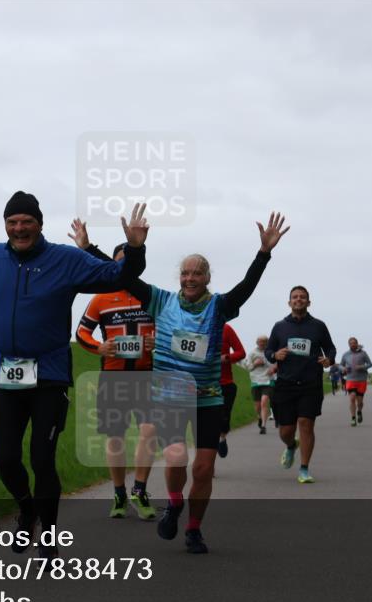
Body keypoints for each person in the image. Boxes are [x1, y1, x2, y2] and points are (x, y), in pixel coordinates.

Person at [0, 193, 149, 559]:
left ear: (40, 224)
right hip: (5, 375)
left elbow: (119, 275)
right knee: (4, 458)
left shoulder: (66, 260)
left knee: (42, 460)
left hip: (49, 377)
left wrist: (134, 249)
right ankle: (27, 509)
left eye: (27, 221)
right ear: (6, 225)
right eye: (13, 222)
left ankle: (48, 540)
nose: (19, 228)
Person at [79, 212, 289, 553]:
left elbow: (247, 287)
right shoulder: (159, 300)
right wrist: (111, 247)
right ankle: (175, 503)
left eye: (197, 273)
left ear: (207, 277)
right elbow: (124, 276)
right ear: (179, 277)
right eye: (185, 273)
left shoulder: (220, 306)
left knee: (204, 469)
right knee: (176, 456)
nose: (190, 278)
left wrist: (263, 253)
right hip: (169, 396)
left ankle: (194, 528)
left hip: (208, 398)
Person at [73, 238, 159, 520]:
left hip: (146, 376)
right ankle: (119, 493)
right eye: (120, 262)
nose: (124, 267)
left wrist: (157, 341)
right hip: (113, 377)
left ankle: (140, 491)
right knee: (115, 438)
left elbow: (170, 330)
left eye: (129, 262)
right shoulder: (100, 297)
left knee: (148, 432)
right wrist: (99, 346)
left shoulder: (151, 296)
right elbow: (81, 333)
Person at [265, 286, 336, 484]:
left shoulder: (318, 326)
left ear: (308, 302)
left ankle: (304, 469)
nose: (298, 299)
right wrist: (274, 355)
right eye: (295, 297)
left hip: (310, 383)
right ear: (289, 302)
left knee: (306, 424)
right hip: (285, 384)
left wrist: (328, 360)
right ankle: (290, 445)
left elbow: (330, 348)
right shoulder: (279, 326)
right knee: (285, 430)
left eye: (302, 297)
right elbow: (269, 350)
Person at [217, 323, 246, 458]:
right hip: (201, 384)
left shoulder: (226, 329)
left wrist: (227, 357)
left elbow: (241, 352)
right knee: (206, 427)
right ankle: (207, 466)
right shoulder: (191, 325)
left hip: (225, 384)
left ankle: (222, 437)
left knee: (223, 420)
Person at [340, 337, 372, 426]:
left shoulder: (363, 354)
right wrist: (344, 369)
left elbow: (370, 364)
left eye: (354, 343)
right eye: (350, 343)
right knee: (352, 398)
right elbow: (340, 365)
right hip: (350, 379)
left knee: (360, 402)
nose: (352, 345)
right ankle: (353, 418)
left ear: (357, 343)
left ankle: (359, 411)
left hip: (361, 380)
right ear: (348, 345)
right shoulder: (345, 355)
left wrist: (362, 367)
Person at [245, 336, 274, 434]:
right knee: (258, 406)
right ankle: (259, 417)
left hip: (268, 380)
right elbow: (248, 367)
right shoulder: (252, 353)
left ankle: (263, 426)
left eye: (264, 342)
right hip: (256, 381)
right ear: (257, 342)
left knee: (264, 401)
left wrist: (273, 369)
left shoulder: (270, 353)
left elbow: (276, 363)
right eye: (260, 342)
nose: (262, 344)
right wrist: (255, 364)